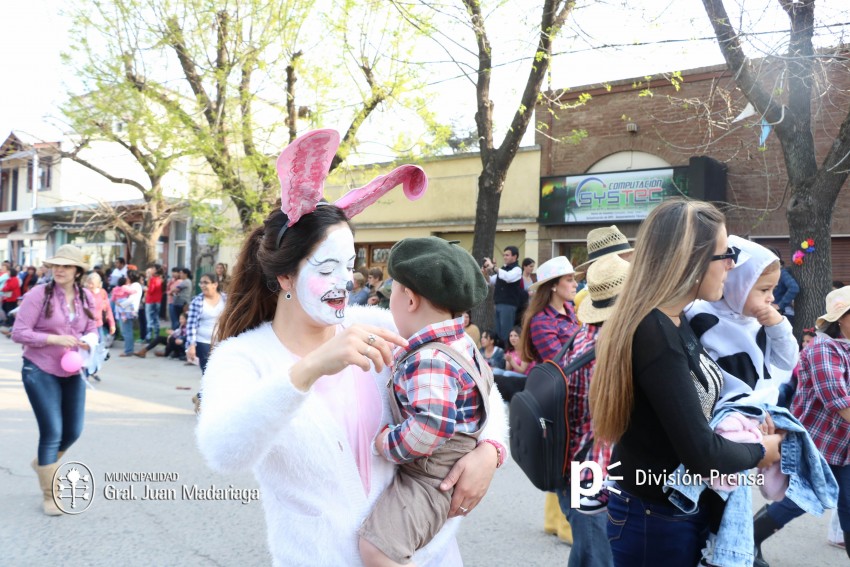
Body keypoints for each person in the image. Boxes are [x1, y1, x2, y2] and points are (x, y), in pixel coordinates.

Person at [196, 129, 505, 566]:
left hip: (426, 554)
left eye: (349, 265)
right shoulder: (243, 358)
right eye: (327, 267)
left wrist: (489, 452)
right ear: (284, 277)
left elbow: (475, 389)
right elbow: (222, 452)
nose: (344, 282)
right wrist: (307, 371)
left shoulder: (381, 326)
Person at [589, 199, 784, 566]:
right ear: (690, 261)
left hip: (666, 510)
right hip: (655, 516)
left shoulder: (676, 320)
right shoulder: (656, 332)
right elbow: (703, 455)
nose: (731, 264)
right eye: (725, 255)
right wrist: (763, 450)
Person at [358, 237, 500, 566]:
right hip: (443, 470)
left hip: (429, 478)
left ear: (409, 299)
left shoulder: (430, 359)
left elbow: (429, 428)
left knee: (378, 549)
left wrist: (384, 443)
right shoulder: (459, 343)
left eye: (392, 291)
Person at [757, 287, 850, 563]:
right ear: (840, 318)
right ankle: (748, 537)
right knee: (801, 499)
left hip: (844, 447)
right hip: (818, 444)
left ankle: (748, 537)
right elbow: (839, 402)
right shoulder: (824, 348)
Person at [11, 245, 98, 516]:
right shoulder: (39, 294)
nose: (59, 270)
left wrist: (88, 341)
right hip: (40, 368)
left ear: (78, 271)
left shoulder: (86, 297)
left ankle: (43, 465)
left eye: (67, 266)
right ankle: (51, 494)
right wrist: (53, 338)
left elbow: (93, 327)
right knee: (52, 431)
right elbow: (18, 332)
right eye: (56, 265)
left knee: (73, 430)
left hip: (73, 370)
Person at [555, 254, 629, 567]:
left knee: (586, 553)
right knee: (600, 557)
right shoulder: (611, 350)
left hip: (569, 463)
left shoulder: (579, 337)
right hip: (595, 470)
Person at [519, 255, 579, 545]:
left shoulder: (571, 310)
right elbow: (559, 361)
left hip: (571, 391)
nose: (575, 283)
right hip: (557, 396)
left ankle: (555, 521)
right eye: (569, 279)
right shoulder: (542, 321)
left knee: (564, 456)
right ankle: (568, 525)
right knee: (568, 456)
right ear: (553, 286)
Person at [186, 273, 227, 413]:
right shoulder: (197, 301)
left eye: (206, 282)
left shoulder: (226, 299)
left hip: (222, 341)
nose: (203, 285)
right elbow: (191, 325)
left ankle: (199, 396)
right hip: (203, 342)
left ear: (215, 284)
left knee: (220, 373)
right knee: (208, 373)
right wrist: (191, 345)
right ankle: (202, 403)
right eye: (201, 283)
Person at [482, 246, 523, 343]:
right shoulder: (503, 269)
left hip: (508, 305)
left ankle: (507, 352)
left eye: (507, 255)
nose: (504, 257)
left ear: (515, 256)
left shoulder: (517, 269)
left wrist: (494, 267)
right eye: (504, 255)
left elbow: (508, 277)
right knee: (498, 332)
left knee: (506, 333)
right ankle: (501, 352)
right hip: (498, 304)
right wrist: (486, 274)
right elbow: (491, 281)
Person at [84, 271, 115, 381]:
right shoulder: (85, 293)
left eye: (92, 283)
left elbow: (108, 309)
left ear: (98, 284)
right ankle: (86, 373)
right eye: (88, 283)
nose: (89, 285)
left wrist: (112, 323)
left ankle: (93, 370)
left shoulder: (103, 293)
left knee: (99, 349)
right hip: (87, 326)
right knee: (89, 349)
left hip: (99, 325)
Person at [491, 326, 532, 403]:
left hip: (526, 378)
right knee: (494, 371)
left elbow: (522, 370)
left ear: (521, 337)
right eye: (511, 336)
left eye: (515, 336)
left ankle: (504, 394)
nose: (512, 338)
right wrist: (509, 361)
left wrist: (511, 361)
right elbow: (508, 369)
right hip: (512, 377)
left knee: (507, 374)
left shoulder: (526, 351)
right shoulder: (510, 352)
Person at [767, 248, 799, 325]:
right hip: (772, 313)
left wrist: (780, 305)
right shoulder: (768, 272)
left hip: (783, 315)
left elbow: (794, 288)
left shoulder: (781, 272)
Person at [116, 271, 143, 357]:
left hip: (128, 309)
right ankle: (129, 349)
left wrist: (121, 304)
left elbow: (131, 299)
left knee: (126, 330)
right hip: (129, 309)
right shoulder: (135, 285)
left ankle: (128, 350)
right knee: (127, 330)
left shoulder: (135, 286)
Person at [144, 264, 164, 342]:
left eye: (152, 268)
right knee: (156, 318)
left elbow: (151, 290)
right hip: (158, 300)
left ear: (155, 270)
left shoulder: (153, 279)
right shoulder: (160, 279)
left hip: (150, 300)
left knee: (149, 319)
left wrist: (146, 289)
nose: (151, 270)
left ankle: (148, 336)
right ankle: (156, 336)